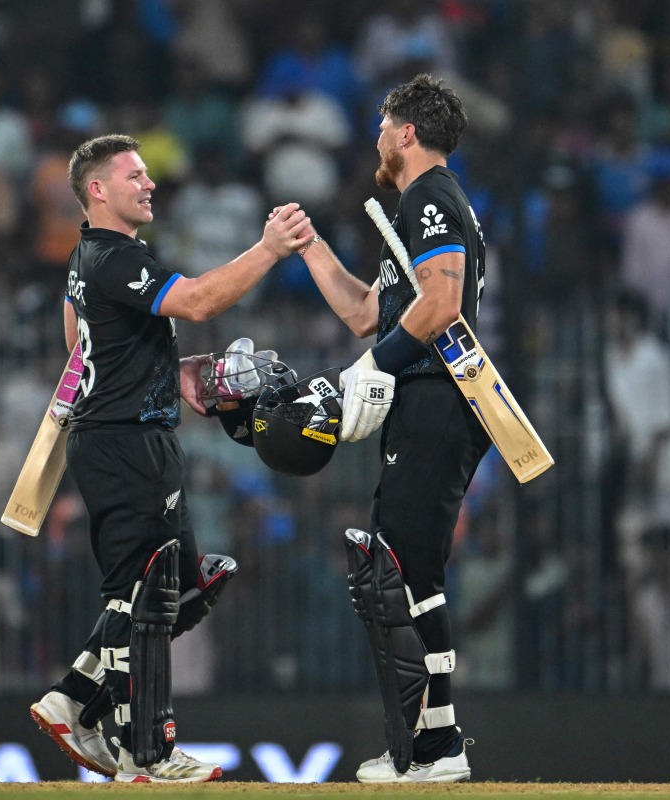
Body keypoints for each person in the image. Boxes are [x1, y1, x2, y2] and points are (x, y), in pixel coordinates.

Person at [28, 134, 311, 783]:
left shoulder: (86, 258)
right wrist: (269, 249)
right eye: (134, 175)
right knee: (147, 593)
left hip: (132, 436)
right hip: (126, 441)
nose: (149, 183)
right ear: (97, 189)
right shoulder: (113, 256)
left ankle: (80, 699)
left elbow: (79, 342)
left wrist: (165, 370)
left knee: (180, 587)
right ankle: (145, 750)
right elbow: (200, 300)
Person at [295, 73, 491, 783]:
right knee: (407, 571)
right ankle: (433, 741)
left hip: (437, 398)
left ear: (406, 133)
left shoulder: (429, 196)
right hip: (429, 401)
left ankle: (433, 748)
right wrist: (311, 247)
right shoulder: (420, 202)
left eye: (383, 124)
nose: (377, 136)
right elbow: (368, 315)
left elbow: (441, 302)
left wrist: (373, 367)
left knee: (399, 572)